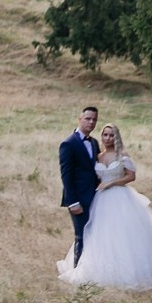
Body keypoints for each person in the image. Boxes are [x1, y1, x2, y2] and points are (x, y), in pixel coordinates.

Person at [56, 121, 152, 290]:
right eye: (105, 134)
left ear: (116, 137)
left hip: (120, 196)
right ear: (101, 136)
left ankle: (134, 273)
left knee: (125, 233)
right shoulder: (98, 155)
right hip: (101, 199)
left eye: (111, 135)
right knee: (100, 233)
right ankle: (100, 270)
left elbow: (131, 176)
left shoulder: (122, 155)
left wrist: (112, 183)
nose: (108, 138)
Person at [58, 105, 101, 266]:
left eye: (94, 119)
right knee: (81, 235)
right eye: (87, 119)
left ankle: (92, 268)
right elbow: (66, 175)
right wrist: (72, 201)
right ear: (80, 119)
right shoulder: (69, 143)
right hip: (78, 199)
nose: (91, 122)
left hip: (94, 197)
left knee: (94, 234)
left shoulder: (94, 142)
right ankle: (77, 270)